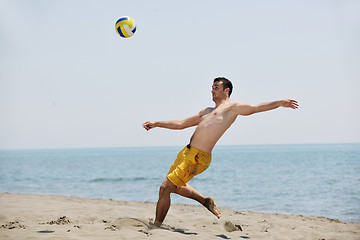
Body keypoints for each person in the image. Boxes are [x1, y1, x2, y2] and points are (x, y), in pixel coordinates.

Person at [142, 77, 298, 227]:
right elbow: (181, 124)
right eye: (212, 88)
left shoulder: (232, 108)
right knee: (174, 186)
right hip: (186, 153)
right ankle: (205, 201)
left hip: (197, 158)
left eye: (216, 88)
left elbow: (255, 108)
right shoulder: (206, 111)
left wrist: (279, 103)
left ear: (226, 91)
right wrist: (157, 123)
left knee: (165, 188)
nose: (212, 91)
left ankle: (156, 228)